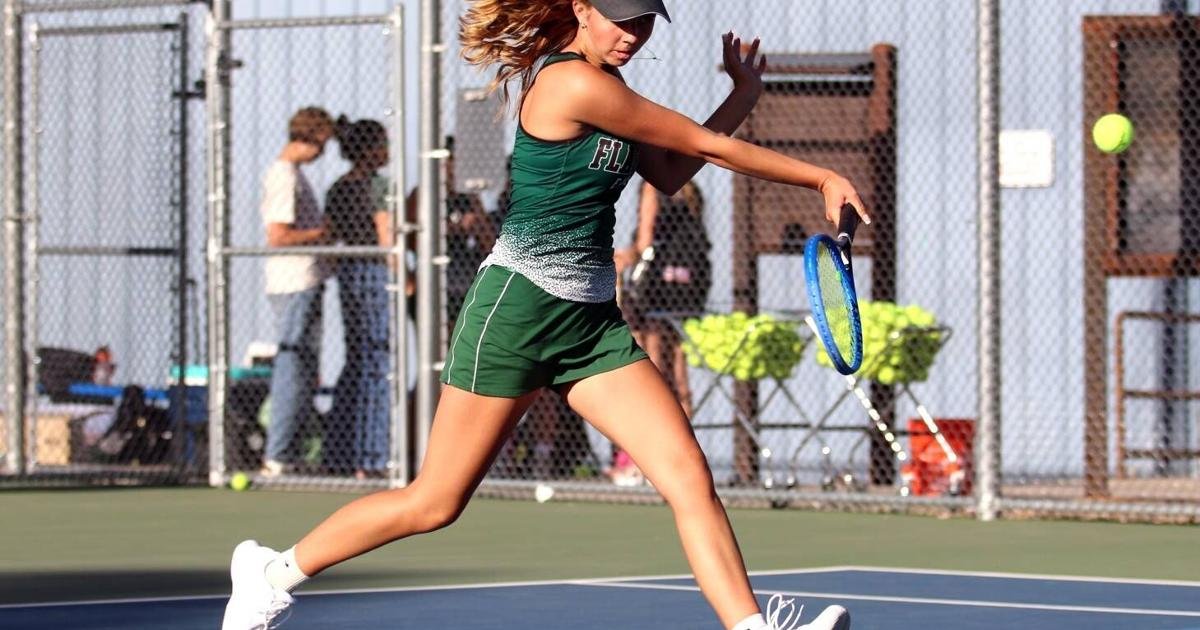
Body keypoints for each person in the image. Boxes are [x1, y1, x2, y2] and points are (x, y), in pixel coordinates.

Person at [222, 2, 867, 629]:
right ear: (582, 10)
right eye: (621, 18)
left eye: (645, 21)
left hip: (590, 327)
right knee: (434, 503)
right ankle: (271, 575)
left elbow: (672, 171)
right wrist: (820, 178)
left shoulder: (614, 89)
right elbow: (704, 146)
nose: (634, 33)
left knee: (687, 475)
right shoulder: (572, 84)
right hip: (518, 313)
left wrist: (742, 95)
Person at [611, 179, 712, 483]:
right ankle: (684, 458)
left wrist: (621, 258)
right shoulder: (691, 191)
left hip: (655, 292)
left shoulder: (652, 187)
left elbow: (645, 243)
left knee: (652, 375)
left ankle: (648, 460)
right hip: (686, 294)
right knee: (678, 377)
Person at [258, 106, 335, 478]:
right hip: (294, 282)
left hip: (305, 281)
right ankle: (278, 453)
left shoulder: (293, 175)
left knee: (304, 369)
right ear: (313, 137)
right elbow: (278, 236)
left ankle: (289, 450)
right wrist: (321, 233)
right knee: (292, 367)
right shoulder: (284, 175)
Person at [325, 116, 395, 479]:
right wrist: (403, 275)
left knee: (357, 358)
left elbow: (331, 234)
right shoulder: (379, 186)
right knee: (378, 362)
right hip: (374, 272)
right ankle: (372, 457)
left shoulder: (337, 187)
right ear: (370, 150)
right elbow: (386, 236)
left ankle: (340, 452)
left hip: (348, 273)